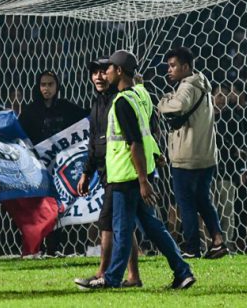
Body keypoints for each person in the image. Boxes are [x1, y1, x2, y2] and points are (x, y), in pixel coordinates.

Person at [79, 50, 195, 290]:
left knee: (122, 229)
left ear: (119, 71)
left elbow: (134, 143)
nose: (105, 73)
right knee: (153, 227)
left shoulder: (121, 102)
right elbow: (146, 133)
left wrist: (143, 180)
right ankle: (183, 271)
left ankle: (110, 279)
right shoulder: (139, 94)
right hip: (137, 175)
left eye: (109, 68)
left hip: (126, 175)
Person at [75, 57, 142, 288]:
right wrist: (86, 172)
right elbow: (94, 141)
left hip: (121, 170)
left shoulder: (120, 101)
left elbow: (135, 138)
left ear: (115, 73)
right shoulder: (97, 104)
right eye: (94, 72)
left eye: (104, 71)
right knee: (126, 224)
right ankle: (133, 276)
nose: (99, 77)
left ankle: (104, 272)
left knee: (108, 222)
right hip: (107, 171)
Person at [157, 46, 226, 259]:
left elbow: (178, 106)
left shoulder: (187, 86)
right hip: (206, 154)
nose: (169, 70)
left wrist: (162, 103)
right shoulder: (202, 83)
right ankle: (217, 240)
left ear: (185, 67)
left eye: (173, 65)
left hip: (187, 156)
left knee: (185, 201)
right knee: (203, 199)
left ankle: (191, 247)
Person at [18, 69, 88, 255]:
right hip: (38, 170)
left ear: (57, 86)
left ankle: (58, 248)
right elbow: (19, 137)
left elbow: (87, 120)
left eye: (50, 84)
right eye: (43, 84)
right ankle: (38, 248)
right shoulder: (30, 112)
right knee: (41, 208)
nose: (46, 88)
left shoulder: (67, 108)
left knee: (63, 206)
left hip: (63, 170)